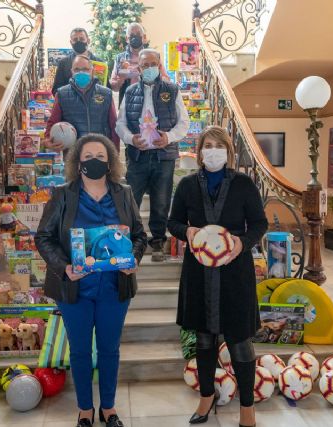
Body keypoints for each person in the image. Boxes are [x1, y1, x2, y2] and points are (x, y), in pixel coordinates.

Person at [35, 134, 147, 427]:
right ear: (77, 162)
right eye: (88, 157)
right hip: (75, 288)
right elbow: (44, 237)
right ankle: (85, 409)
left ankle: (108, 407)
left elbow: (139, 235)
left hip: (114, 287)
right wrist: (64, 267)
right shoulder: (63, 194)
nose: (94, 161)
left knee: (110, 349)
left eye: (100, 156)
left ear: (110, 162)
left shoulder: (123, 193)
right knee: (80, 350)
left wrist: (133, 259)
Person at [167, 126, 268, 427]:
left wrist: (242, 243)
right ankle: (206, 396)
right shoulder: (187, 185)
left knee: (239, 340)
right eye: (207, 146)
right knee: (204, 338)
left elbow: (259, 224)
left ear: (229, 151)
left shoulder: (244, 184)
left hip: (235, 271)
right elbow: (173, 222)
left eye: (218, 145)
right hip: (199, 271)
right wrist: (187, 231)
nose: (213, 151)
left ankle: (247, 407)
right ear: (199, 152)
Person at [116, 48, 190, 262]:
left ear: (159, 66)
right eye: (145, 65)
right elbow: (120, 124)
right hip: (137, 156)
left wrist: (169, 137)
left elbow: (184, 123)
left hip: (164, 156)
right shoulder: (130, 92)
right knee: (130, 201)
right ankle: (129, 242)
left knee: (161, 201)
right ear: (138, 68)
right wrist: (131, 139)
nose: (149, 68)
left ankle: (157, 242)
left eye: (153, 64)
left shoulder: (172, 90)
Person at [45, 55, 120, 152]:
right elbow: (53, 121)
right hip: (73, 153)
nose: (81, 72)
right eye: (77, 69)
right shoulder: (61, 94)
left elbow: (114, 125)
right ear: (72, 72)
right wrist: (48, 140)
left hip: (100, 151)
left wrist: (115, 151)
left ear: (92, 71)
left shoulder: (106, 93)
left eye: (85, 69)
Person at [109, 23, 170, 106]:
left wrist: (153, 76)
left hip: (152, 102)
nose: (135, 37)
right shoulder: (120, 59)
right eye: (131, 35)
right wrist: (121, 79)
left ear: (144, 37)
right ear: (127, 38)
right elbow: (114, 87)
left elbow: (166, 80)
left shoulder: (153, 56)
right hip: (128, 104)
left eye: (138, 35)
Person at [52, 28, 104, 95]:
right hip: (70, 101)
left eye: (82, 39)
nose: (78, 42)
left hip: (95, 100)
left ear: (88, 41)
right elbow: (56, 90)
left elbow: (106, 88)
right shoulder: (63, 63)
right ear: (71, 42)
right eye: (75, 40)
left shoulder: (100, 63)